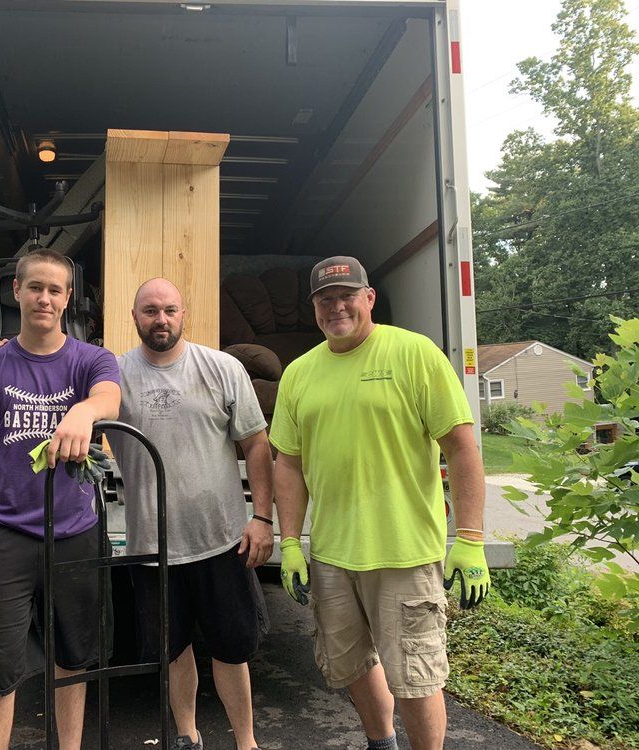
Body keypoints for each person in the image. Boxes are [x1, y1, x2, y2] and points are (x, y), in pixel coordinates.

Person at [270, 256, 490, 750]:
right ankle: (380, 743)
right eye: (325, 300)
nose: (336, 307)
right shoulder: (300, 374)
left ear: (369, 298)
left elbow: (460, 445)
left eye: (347, 295)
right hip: (331, 553)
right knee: (348, 664)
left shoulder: (415, 353)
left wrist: (471, 539)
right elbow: (287, 463)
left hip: (403, 552)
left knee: (415, 677)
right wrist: (288, 543)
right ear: (314, 310)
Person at [0, 249, 121, 750]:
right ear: (15, 292)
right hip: (1, 536)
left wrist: (83, 412)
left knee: (73, 660)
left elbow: (109, 397)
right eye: (34, 287)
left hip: (75, 533)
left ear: (68, 298)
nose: (45, 298)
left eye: (55, 289)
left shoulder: (90, 360)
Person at [107, 278, 273, 750]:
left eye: (170, 310)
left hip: (221, 540)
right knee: (173, 650)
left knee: (232, 650)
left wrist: (262, 517)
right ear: (134, 317)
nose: (161, 319)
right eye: (150, 310)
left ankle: (246, 742)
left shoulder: (222, 368)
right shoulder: (112, 375)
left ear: (184, 315)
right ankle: (187, 737)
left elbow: (256, 443)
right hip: (151, 546)